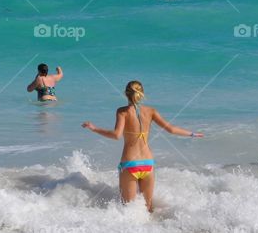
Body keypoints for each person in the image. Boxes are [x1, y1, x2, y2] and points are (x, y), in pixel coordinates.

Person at [82, 80, 203, 213]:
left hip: (130, 164)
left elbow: (116, 135)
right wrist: (192, 134)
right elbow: (171, 130)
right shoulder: (151, 111)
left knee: (129, 210)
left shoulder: (122, 112)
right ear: (142, 93)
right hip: (148, 163)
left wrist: (94, 128)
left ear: (126, 94)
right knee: (148, 209)